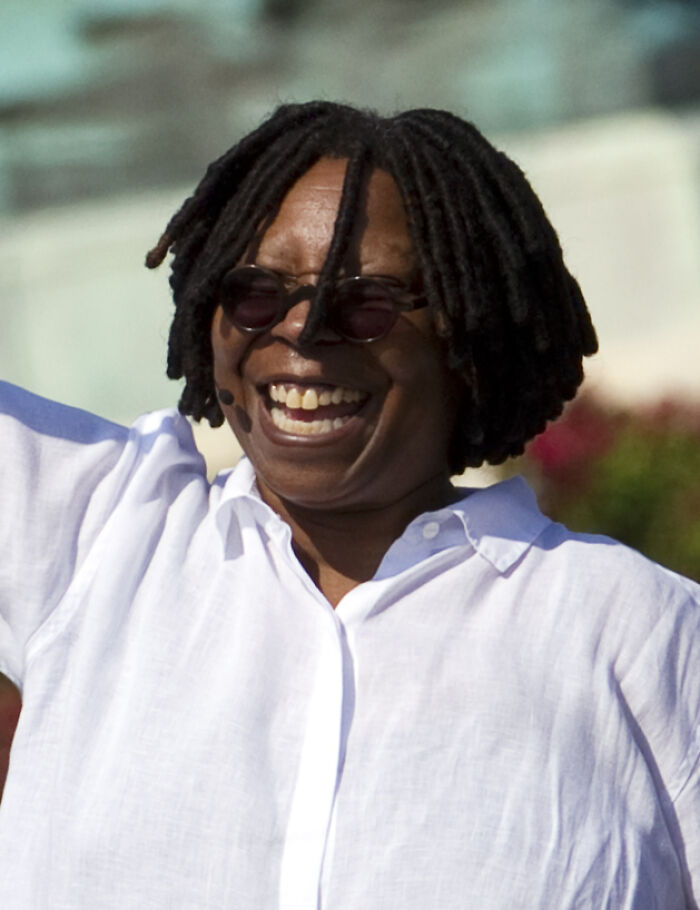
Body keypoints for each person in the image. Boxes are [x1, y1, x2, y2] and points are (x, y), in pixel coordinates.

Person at [0, 100, 698, 909]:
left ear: (465, 335)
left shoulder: (638, 635)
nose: (300, 335)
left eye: (362, 303)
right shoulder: (94, 535)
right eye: (256, 292)